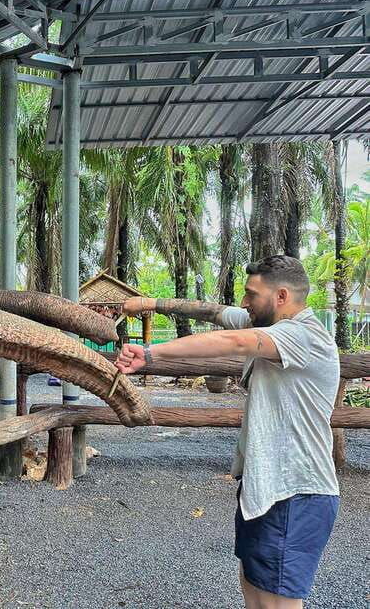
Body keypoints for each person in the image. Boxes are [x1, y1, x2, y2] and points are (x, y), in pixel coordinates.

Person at [117, 255, 340, 609]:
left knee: (275, 602)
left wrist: (149, 353)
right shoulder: (267, 322)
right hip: (264, 486)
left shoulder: (304, 335)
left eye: (251, 294)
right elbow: (213, 313)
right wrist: (149, 303)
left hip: (297, 490)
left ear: (281, 296)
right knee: (252, 587)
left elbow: (236, 342)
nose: (244, 303)